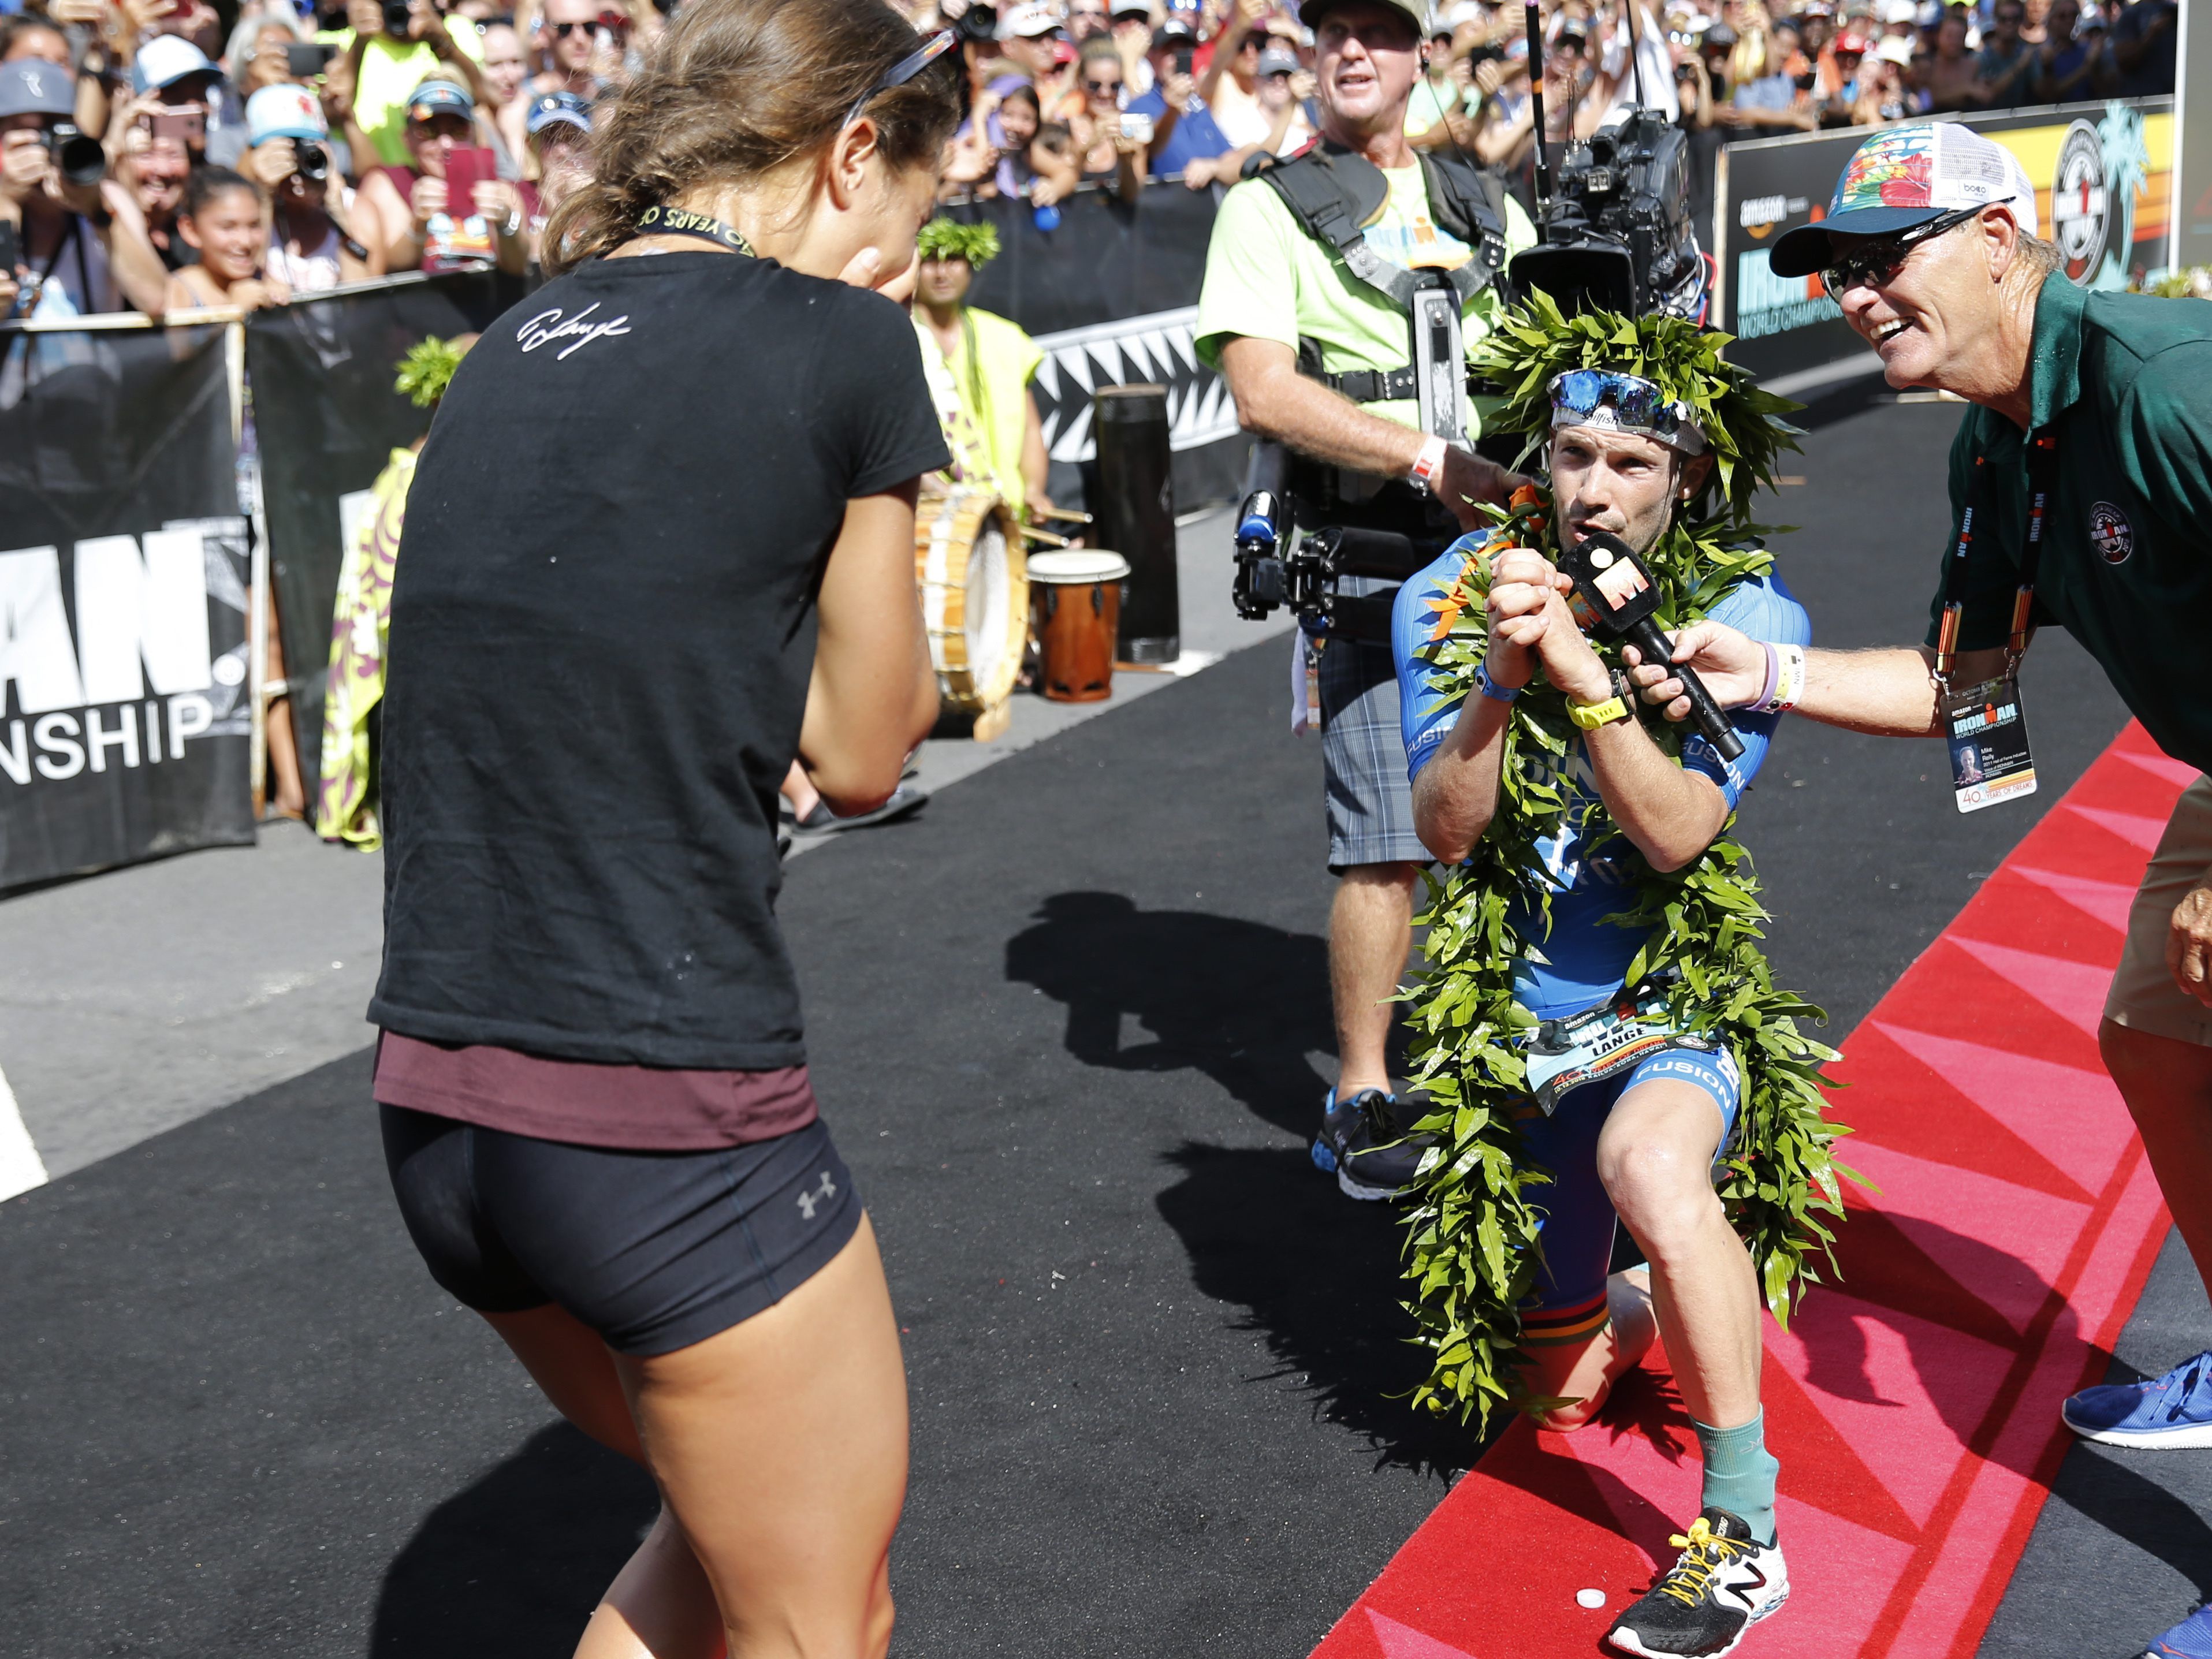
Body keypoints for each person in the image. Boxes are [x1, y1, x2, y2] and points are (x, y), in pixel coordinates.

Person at [368, 1, 958, 1653]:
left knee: (726, 1561)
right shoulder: (846, 343)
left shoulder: (516, 340)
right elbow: (860, 748)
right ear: (853, 151)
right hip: (657, 1107)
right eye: (922, 205)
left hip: (438, 1109)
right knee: (819, 1621)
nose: (918, 243)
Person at [1632, 121, 2212, 1658]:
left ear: (2004, 237)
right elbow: (1970, 692)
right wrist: (1757, 667)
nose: (1852, 297)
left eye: (1879, 262)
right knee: (2151, 1032)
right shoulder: (1992, 442)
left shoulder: (2165, 384)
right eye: (1832, 273)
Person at [1397, 349, 1811, 1659]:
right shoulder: (1445, 600)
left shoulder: (1752, 613)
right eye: (1573, 456)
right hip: (1520, 1042)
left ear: (1685, 477)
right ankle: (1665, 1288)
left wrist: (1583, 670)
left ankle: (1745, 1531)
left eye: (1632, 463)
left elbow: (1680, 829)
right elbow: (1445, 832)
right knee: (1558, 1397)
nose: (1595, 488)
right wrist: (1503, 678)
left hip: (1668, 1006)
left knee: (1651, 1161)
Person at [1196, 0, 1533, 1199]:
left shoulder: (1490, 206)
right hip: (1367, 550)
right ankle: (1362, 1084)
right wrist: (1429, 458)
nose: (1352, 47)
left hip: (1502, 555)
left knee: (1515, 813)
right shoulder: (1265, 204)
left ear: (1422, 52)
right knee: (1386, 836)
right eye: (1331, 24)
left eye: (1381, 27)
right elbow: (1262, 390)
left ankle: (1520, 1041)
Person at [0, 58, 169, 329]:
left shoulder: (109, 199)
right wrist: (6, 204)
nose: (45, 147)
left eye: (54, 127)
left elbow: (157, 300)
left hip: (97, 370)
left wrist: (96, 210)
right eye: (26, 131)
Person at [912, 215, 1051, 520]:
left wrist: (1034, 490)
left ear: (972, 265)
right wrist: (944, 496)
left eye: (955, 260)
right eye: (931, 260)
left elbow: (1030, 428)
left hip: (1007, 513)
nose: (942, 272)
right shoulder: (899, 338)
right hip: (940, 518)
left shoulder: (1003, 336)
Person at [355, 78, 526, 274]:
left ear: (474, 135)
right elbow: (388, 268)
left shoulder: (500, 189)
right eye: (428, 131)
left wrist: (505, 225)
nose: (446, 143)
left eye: (457, 131)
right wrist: (418, 224)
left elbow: (520, 268)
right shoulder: (388, 184)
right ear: (406, 139)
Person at [243, 82, 378, 290]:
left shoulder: (358, 210)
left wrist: (339, 216)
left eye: (305, 147)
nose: (296, 163)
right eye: (286, 148)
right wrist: (264, 198)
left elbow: (365, 304)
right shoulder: (242, 213)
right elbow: (247, 283)